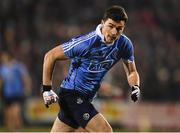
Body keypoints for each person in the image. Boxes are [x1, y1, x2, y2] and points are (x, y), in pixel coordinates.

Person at [42, 5, 140, 132]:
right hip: (71, 95)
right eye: (110, 26)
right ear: (102, 23)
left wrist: (135, 86)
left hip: (86, 98)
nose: (114, 32)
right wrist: (47, 89)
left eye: (119, 28)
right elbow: (50, 56)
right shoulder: (85, 43)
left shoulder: (124, 44)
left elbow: (132, 71)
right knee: (105, 131)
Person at [0, 50, 32, 131]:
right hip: (7, 94)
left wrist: (27, 88)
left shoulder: (18, 66)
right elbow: (1, 81)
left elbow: (25, 78)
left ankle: (18, 130)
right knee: (8, 115)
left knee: (15, 113)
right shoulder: (3, 68)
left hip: (17, 93)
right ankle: (11, 130)